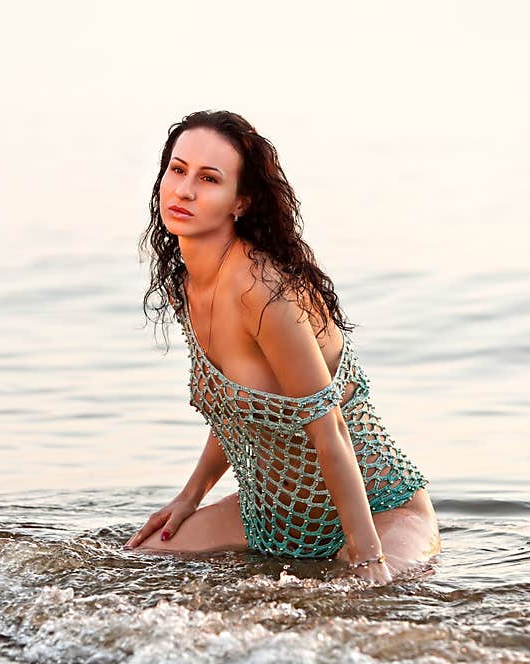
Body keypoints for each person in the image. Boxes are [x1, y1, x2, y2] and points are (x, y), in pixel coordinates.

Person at [124, 110, 440, 584]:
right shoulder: (186, 286)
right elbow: (242, 410)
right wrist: (189, 497)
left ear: (241, 201)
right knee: (140, 558)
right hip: (270, 516)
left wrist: (366, 553)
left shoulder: (264, 289)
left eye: (209, 179)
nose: (184, 190)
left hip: (379, 513)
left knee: (357, 603)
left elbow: (328, 427)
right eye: (177, 169)